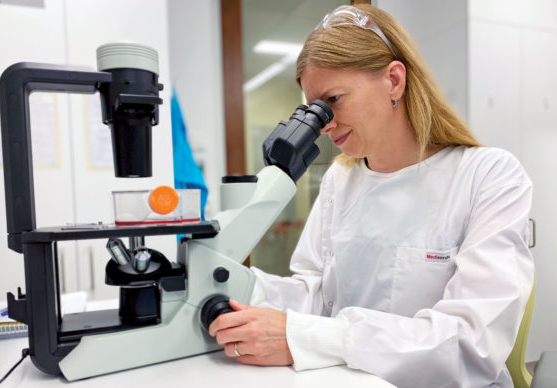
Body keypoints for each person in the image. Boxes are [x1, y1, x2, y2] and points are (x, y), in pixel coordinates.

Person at [208, 4, 534, 388]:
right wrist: (229, 282)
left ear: (394, 81)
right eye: (313, 108)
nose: (323, 125)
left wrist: (310, 337)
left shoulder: (489, 175)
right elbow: (317, 295)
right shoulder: (339, 180)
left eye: (333, 100)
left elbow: (469, 344)